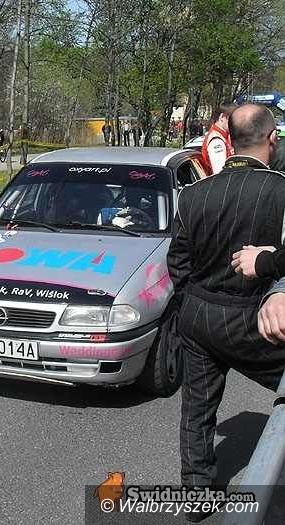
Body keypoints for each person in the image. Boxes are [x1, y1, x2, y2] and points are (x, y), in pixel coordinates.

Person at [167, 104, 285, 522]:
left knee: (197, 410)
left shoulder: (193, 195)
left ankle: (196, 496)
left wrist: (191, 301)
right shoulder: (281, 190)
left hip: (200, 317)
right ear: (272, 139)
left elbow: (177, 262)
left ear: (229, 141)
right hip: (258, 321)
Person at [200, 103, 237, 175]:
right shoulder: (216, 140)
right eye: (233, 120)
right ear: (222, 117)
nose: (235, 123)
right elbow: (221, 174)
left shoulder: (224, 136)